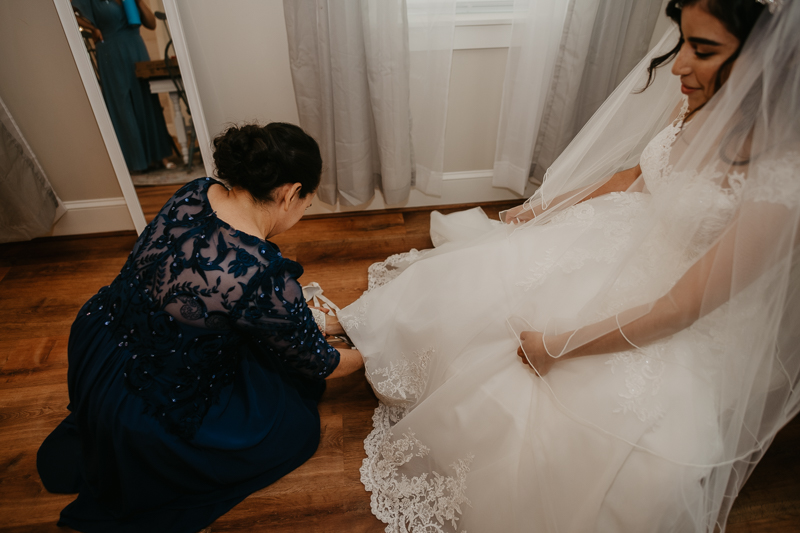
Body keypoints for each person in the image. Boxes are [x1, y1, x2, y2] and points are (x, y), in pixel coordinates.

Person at [335, 0, 800, 531]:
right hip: (625, 231)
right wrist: (541, 209)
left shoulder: (782, 182)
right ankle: (356, 337)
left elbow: (678, 310)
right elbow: (634, 176)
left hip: (681, 308)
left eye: (704, 49)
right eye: (683, 43)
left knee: (625, 466)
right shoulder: (704, 99)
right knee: (477, 285)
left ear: (770, 57)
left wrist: (557, 346)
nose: (677, 66)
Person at [36, 122, 364, 532]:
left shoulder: (193, 191)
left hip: (99, 348)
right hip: (148, 406)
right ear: (289, 193)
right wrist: (371, 351)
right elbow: (323, 364)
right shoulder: (264, 276)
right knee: (295, 428)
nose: (304, 212)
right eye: (307, 203)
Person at [72, 0, 174, 172]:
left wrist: (139, 2)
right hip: (111, 51)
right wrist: (92, 29)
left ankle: (159, 156)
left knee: (146, 99)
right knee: (122, 103)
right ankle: (136, 162)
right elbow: (69, 11)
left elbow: (151, 24)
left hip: (136, 47)